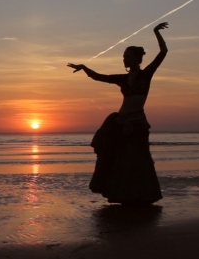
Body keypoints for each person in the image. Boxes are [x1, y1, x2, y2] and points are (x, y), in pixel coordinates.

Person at [67, 22, 169, 205]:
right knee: (121, 158)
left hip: (137, 122)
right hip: (121, 122)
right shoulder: (122, 79)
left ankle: (142, 194)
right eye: (124, 57)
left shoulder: (146, 75)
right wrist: (84, 67)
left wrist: (156, 32)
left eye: (128, 56)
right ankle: (123, 194)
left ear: (137, 58)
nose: (124, 59)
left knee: (139, 157)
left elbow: (163, 52)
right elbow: (100, 77)